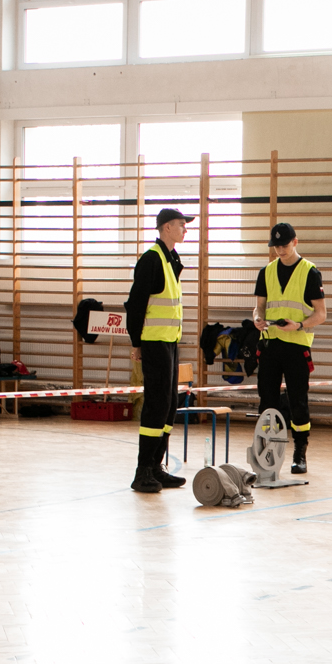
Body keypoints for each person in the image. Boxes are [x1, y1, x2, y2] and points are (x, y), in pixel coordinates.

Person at [253, 221, 326, 475]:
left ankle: (300, 452)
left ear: (295, 242)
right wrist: (257, 318)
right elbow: (259, 306)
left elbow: (321, 314)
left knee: (298, 402)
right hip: (270, 344)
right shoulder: (266, 272)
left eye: (284, 245)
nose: (280, 250)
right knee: (267, 401)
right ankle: (267, 450)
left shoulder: (309, 272)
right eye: (276, 246)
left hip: (296, 346)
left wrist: (299, 325)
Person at [126, 207, 189, 493]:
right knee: (156, 404)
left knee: (170, 404)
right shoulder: (151, 259)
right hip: (153, 342)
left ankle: (156, 466)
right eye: (180, 224)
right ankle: (143, 471)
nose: (185, 229)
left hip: (169, 341)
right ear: (166, 228)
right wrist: (136, 342)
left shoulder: (171, 259)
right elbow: (136, 304)